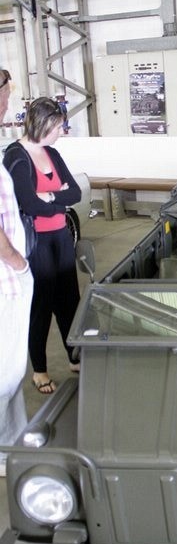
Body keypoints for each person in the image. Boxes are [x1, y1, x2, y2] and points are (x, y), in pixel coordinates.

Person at [3, 96, 81, 394]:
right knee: (41, 306)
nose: (61, 132)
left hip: (61, 236)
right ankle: (39, 370)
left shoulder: (52, 153)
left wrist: (50, 198)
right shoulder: (17, 156)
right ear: (43, 124)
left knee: (69, 301)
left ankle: (74, 356)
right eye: (58, 127)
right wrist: (56, 201)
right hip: (37, 242)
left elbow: (74, 193)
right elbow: (29, 203)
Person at [0, 161, 33, 475]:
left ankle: (14, 443)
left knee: (11, 370)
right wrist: (18, 263)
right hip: (6, 280)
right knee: (6, 374)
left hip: (8, 277)